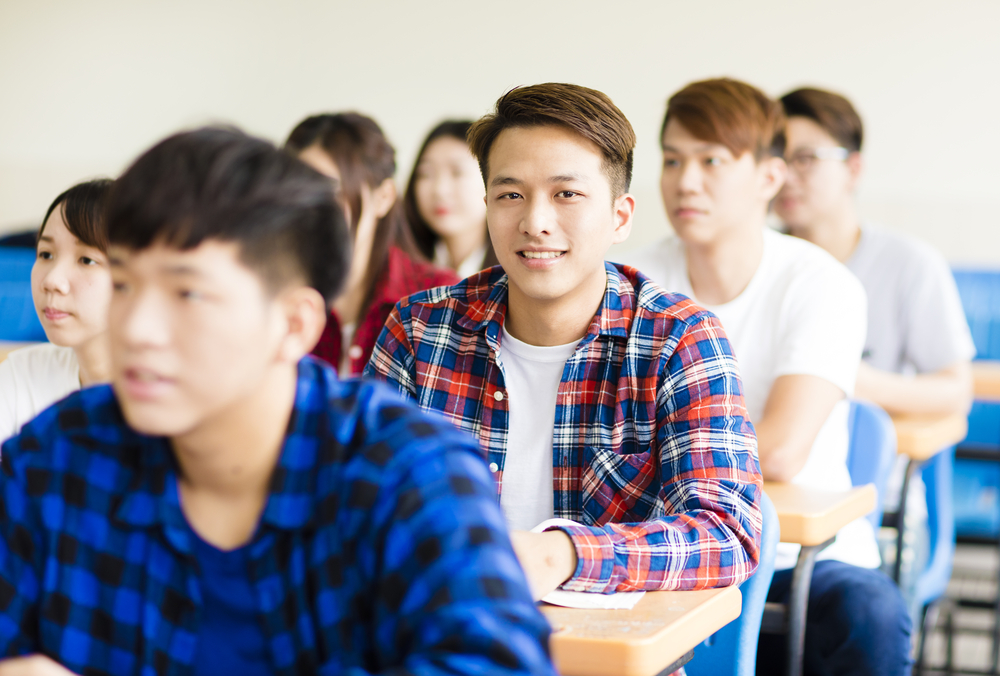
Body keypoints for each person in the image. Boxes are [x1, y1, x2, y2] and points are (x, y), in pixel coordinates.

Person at [0, 127, 554, 676]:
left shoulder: (407, 472)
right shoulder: (55, 458)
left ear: (293, 325)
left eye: (187, 293)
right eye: (123, 284)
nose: (139, 328)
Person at [366, 82, 763, 601]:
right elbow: (358, 506)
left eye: (566, 194)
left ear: (620, 217)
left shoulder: (678, 340)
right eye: (511, 195)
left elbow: (726, 535)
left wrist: (561, 554)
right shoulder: (421, 331)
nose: (535, 222)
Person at [624, 78, 911, 675]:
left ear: (768, 177)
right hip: (665, 545)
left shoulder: (821, 284)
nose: (686, 180)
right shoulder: (633, 279)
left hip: (800, 557)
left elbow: (779, 451)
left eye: (712, 160)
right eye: (672, 159)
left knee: (872, 614)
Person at [776, 87, 974, 416]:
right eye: (777, 160)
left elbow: (955, 390)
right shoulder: (759, 260)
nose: (786, 177)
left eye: (805, 159)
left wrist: (842, 379)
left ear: (853, 169)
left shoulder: (910, 263)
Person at [285, 113, 458, 375]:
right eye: (299, 190)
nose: (311, 208)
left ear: (384, 197)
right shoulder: (275, 292)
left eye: (333, 193)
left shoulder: (439, 298)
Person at [0, 179, 114, 442]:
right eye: (46, 254)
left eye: (87, 260)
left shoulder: (177, 401)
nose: (51, 280)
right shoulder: (21, 375)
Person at [403, 120, 498, 277]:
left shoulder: (512, 270)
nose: (440, 190)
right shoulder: (402, 270)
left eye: (457, 172)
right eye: (426, 173)